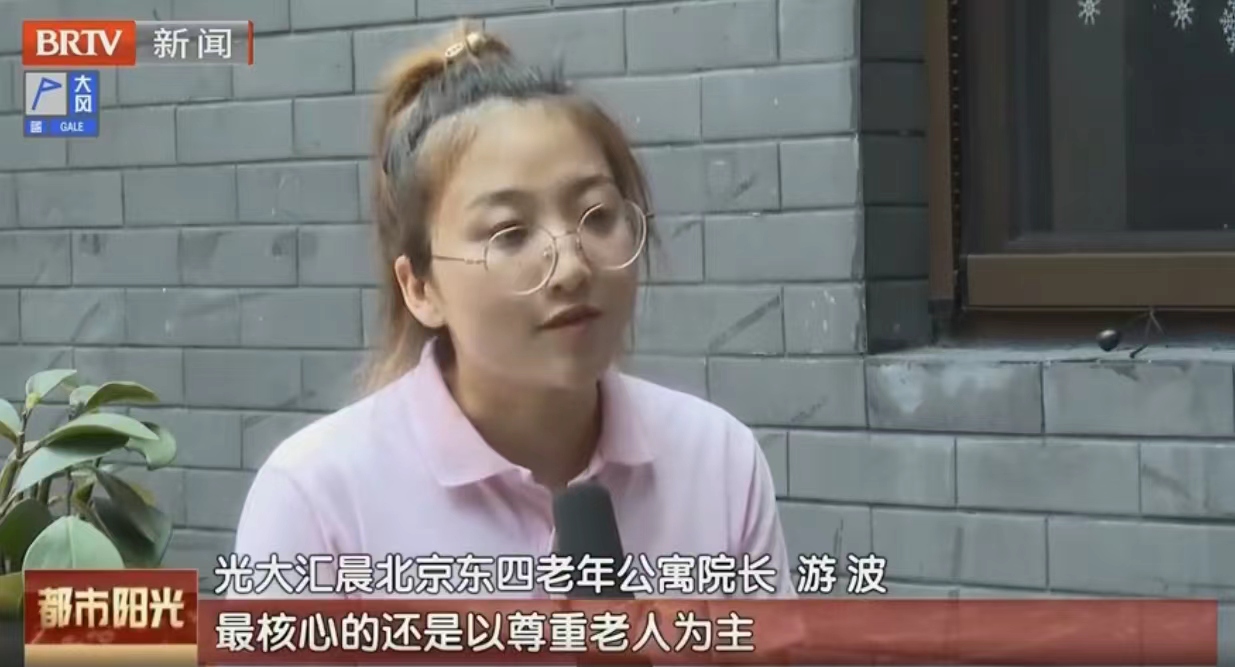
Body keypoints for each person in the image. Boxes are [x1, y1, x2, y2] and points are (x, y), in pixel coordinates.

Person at [230, 24, 793, 599]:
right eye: (510, 233)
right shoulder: (316, 499)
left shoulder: (718, 460)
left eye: (598, 216)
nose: (571, 268)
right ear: (420, 287)